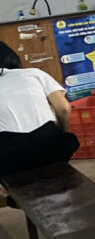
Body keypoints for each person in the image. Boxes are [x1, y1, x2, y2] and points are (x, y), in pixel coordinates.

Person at [0, 42, 79, 184]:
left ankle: (8, 193)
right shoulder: (33, 73)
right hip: (50, 147)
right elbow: (64, 108)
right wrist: (63, 131)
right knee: (67, 141)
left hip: (9, 157)